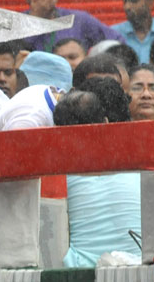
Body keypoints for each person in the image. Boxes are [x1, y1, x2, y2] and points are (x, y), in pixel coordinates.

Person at [53, 91, 142, 267]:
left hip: (80, 272)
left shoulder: (56, 177)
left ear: (57, 132)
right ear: (106, 123)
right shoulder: (136, 165)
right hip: (139, 266)